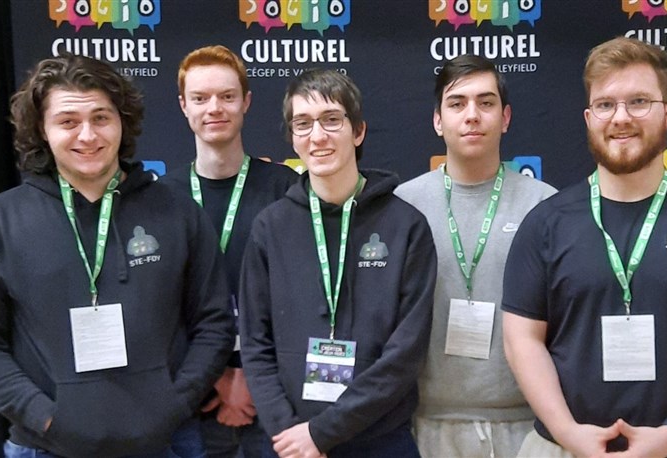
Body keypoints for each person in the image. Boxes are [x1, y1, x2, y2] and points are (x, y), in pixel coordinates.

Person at [502, 36, 667, 458]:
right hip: (563, 449)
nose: (621, 118)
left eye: (639, 102)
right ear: (589, 118)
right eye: (606, 105)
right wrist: (568, 433)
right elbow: (522, 342)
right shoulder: (545, 224)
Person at [0, 53, 235, 457]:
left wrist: (175, 404)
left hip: (167, 442)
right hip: (44, 447)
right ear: (42, 130)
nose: (87, 135)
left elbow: (214, 322)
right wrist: (45, 418)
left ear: (122, 121)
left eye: (101, 118)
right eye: (68, 122)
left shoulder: (177, 211)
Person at [238, 68, 437, 458]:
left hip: (380, 442)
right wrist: (289, 433)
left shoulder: (406, 227)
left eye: (331, 120)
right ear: (292, 137)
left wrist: (322, 433)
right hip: (290, 444)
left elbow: (405, 355)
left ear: (358, 131)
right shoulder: (270, 228)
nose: (317, 136)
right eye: (303, 123)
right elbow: (255, 343)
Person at [394, 54, 556, 457]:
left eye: (486, 103)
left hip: (528, 426)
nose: (472, 115)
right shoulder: (403, 207)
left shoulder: (544, 206)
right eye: (457, 103)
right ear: (438, 120)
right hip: (425, 425)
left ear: (505, 118)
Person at [161, 44, 299, 458]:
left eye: (227, 96)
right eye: (200, 98)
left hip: (274, 396)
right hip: (193, 398)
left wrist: (250, 376)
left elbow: (301, 299)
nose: (214, 108)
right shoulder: (160, 198)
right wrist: (218, 377)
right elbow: (155, 307)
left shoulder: (286, 188)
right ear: (183, 105)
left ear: (246, 102)